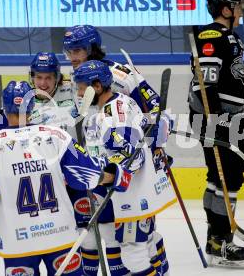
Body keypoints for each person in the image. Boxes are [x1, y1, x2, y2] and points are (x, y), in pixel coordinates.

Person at [0, 80, 132, 276]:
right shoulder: (56, 136)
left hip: (17, 242)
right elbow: (87, 176)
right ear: (32, 105)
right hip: (59, 236)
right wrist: (117, 175)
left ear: (4, 107)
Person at [63, 25, 173, 276]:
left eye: (78, 50)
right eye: (68, 51)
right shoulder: (79, 75)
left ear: (92, 48)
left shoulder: (120, 74)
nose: (72, 57)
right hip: (105, 166)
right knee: (115, 235)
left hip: (128, 170)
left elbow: (157, 111)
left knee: (137, 239)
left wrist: (155, 148)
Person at [187, 0, 244, 268]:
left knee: (224, 178)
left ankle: (216, 239)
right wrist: (216, 119)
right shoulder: (212, 35)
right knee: (226, 178)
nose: (240, 10)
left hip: (228, 116)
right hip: (213, 116)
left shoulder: (229, 36)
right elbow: (205, 84)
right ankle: (221, 241)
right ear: (226, 9)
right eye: (237, 6)